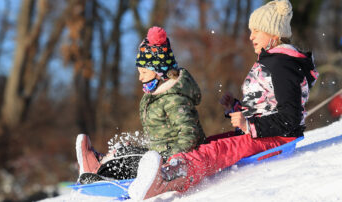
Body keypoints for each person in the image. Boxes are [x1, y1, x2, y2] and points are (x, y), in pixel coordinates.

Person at [128, 0, 319, 200]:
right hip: (264, 135)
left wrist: (249, 124)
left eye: (256, 31)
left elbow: (290, 117)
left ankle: (166, 179)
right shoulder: (273, 61)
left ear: (273, 33)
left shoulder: (282, 64)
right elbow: (266, 104)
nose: (251, 36)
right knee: (209, 144)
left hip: (276, 140)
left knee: (216, 151)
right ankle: (162, 171)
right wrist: (236, 107)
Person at [75, 26, 206, 182]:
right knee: (126, 149)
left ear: (159, 71)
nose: (140, 78)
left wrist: (173, 158)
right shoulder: (156, 95)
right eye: (139, 73)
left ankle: (100, 172)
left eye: (144, 72)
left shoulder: (174, 98)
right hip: (161, 154)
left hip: (174, 159)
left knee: (133, 160)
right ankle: (100, 164)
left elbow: (189, 133)